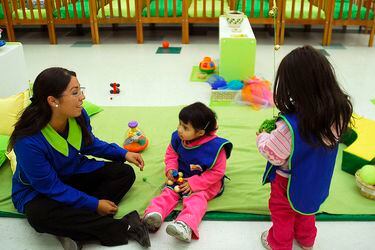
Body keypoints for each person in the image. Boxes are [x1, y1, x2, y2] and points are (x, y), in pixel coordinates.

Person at [8, 67, 150, 249]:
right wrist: (95, 204)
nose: (82, 97)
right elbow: (51, 187)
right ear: (52, 101)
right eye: (75, 93)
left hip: (73, 174)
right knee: (39, 217)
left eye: (80, 90)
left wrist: (123, 154)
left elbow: (90, 144)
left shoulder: (77, 115)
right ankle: (123, 227)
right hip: (39, 192)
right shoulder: (27, 142)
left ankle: (72, 228)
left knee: (124, 173)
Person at [256, 46, 353, 250]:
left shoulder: (288, 127)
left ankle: (279, 244)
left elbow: (274, 155)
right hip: (318, 178)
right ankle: (306, 241)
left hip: (287, 182)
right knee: (307, 210)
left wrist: (262, 138)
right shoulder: (339, 114)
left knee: (283, 213)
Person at [143, 102, 233, 242]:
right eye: (179, 124)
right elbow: (171, 154)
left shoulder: (215, 148)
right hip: (181, 174)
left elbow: (217, 172)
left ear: (200, 132)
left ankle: (185, 224)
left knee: (196, 198)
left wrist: (194, 183)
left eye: (185, 127)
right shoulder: (179, 138)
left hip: (205, 181)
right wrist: (171, 169)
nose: (179, 129)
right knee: (169, 191)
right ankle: (154, 214)